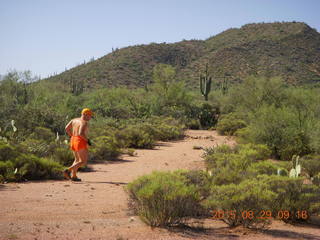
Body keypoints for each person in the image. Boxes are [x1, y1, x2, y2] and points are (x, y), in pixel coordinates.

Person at [63, 108, 93, 181]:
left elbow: (66, 128)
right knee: (83, 161)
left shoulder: (74, 120)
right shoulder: (84, 122)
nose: (90, 118)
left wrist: (72, 135)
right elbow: (81, 133)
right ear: (85, 114)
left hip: (73, 139)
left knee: (77, 160)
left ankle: (74, 176)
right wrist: (88, 141)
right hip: (80, 141)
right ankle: (68, 170)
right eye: (90, 116)